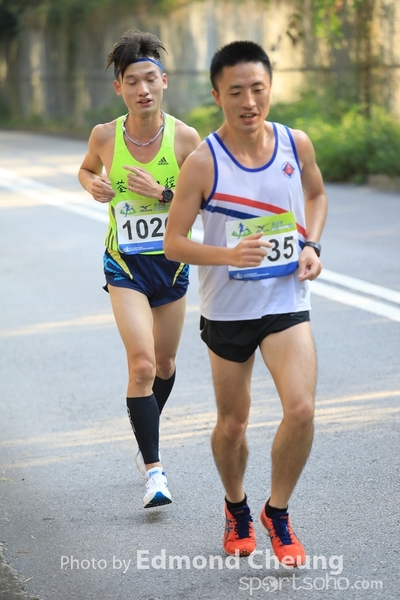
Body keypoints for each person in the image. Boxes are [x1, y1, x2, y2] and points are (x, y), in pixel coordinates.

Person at [164, 40, 327, 563]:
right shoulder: (202, 163)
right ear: (217, 95)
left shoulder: (295, 144)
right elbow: (173, 243)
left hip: (284, 299)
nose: (249, 101)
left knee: (301, 409)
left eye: (258, 88)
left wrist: (311, 244)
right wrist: (228, 255)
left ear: (271, 88)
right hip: (228, 309)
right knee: (232, 424)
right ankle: (236, 506)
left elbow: (316, 195)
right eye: (236, 91)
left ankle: (277, 513)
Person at [78, 29, 201, 509]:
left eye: (150, 79)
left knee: (165, 365)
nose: (142, 89)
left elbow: (206, 203)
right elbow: (87, 168)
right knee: (143, 364)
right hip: (124, 266)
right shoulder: (105, 136)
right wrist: (92, 184)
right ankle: (154, 471)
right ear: (119, 88)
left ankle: (144, 435)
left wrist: (164, 194)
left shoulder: (185, 138)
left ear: (164, 81)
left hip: (171, 268)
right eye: (132, 81)